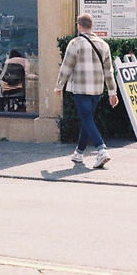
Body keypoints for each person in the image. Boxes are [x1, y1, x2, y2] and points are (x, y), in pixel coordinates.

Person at [54, 13, 119, 168]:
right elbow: (109, 72)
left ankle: (102, 150)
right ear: (92, 26)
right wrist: (112, 92)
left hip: (80, 88)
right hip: (97, 90)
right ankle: (79, 153)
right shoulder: (104, 45)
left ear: (79, 25)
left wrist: (59, 86)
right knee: (87, 119)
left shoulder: (75, 43)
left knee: (86, 119)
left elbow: (66, 66)